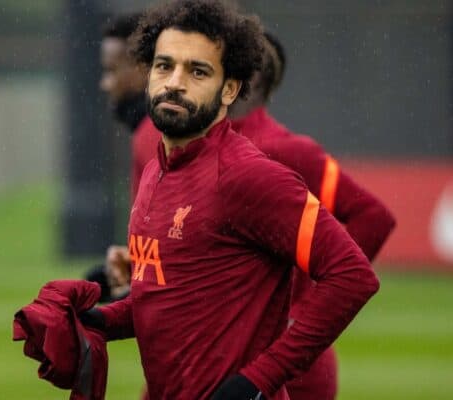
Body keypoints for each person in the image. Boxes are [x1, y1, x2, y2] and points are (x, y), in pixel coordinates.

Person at [80, 1, 380, 399]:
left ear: (231, 89)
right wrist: (96, 320)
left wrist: (259, 379)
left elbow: (353, 275)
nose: (175, 82)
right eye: (164, 65)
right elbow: (166, 299)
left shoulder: (249, 175)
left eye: (198, 71)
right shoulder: (157, 169)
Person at [228, 33, 396, 400]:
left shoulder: (287, 150)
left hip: (286, 363)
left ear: (251, 80)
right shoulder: (205, 148)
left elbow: (374, 216)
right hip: (224, 353)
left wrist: (304, 307)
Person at [85, 12, 148, 302]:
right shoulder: (149, 133)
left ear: (142, 68)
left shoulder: (156, 136)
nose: (106, 84)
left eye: (112, 70)